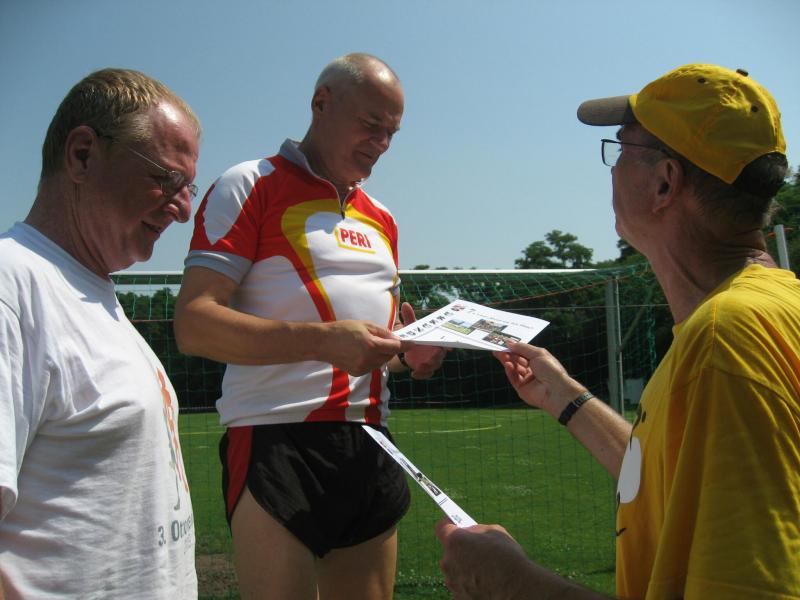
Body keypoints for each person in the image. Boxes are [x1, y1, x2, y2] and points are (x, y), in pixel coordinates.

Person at [436, 63, 800, 599]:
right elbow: (669, 478)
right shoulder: (767, 307)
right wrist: (566, 398)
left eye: (621, 148)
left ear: (664, 182)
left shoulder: (725, 339)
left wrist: (510, 582)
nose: (610, 169)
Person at [173, 52, 445, 600]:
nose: (381, 143)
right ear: (322, 103)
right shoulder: (250, 183)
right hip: (276, 437)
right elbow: (194, 324)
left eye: (391, 133)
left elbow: (367, 351)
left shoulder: (383, 218)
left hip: (370, 438)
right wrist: (323, 341)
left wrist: (406, 355)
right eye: (371, 124)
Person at [0, 69, 201, 598]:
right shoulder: (12, 285)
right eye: (168, 178)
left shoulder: (91, 293)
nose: (183, 210)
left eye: (189, 187)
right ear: (83, 155)